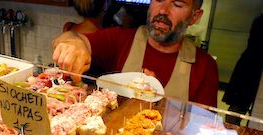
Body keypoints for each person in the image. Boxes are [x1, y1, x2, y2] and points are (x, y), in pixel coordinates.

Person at [52, 0, 218, 107]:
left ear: (194, 16)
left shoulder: (205, 66)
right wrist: (72, 44)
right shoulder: (121, 39)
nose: (163, 11)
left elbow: (204, 130)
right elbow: (73, 37)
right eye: (158, 0)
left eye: (177, 4)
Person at [222, 13, 263, 125]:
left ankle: (231, 132)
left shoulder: (259, 19)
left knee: (239, 106)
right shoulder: (260, 20)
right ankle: (230, 134)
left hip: (250, 65)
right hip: (251, 66)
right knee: (238, 106)